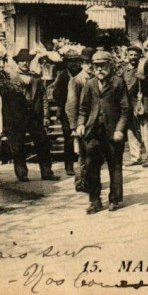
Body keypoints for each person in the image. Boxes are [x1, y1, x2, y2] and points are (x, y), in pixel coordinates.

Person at [75, 51, 130, 213]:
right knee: (91, 166)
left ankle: (115, 199)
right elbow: (83, 109)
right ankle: (94, 200)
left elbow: (126, 110)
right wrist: (80, 124)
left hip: (113, 132)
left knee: (115, 165)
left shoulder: (118, 83)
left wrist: (120, 129)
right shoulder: (90, 84)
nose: (99, 69)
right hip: (93, 132)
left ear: (110, 66)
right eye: (96, 66)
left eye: (103, 65)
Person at [4, 49, 59, 182]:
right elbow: (6, 104)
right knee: (18, 145)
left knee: (43, 143)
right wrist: (7, 122)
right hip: (18, 117)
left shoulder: (36, 78)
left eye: (27, 61)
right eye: (22, 61)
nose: (25, 63)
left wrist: (46, 116)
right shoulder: (10, 79)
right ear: (17, 63)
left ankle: (47, 172)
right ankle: (22, 173)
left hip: (35, 116)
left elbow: (44, 98)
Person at [124, 45, 148, 168]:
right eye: (131, 55)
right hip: (129, 104)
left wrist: (145, 78)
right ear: (127, 56)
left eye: (135, 55)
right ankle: (135, 157)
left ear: (139, 56)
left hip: (144, 103)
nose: (133, 57)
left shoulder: (146, 66)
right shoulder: (125, 69)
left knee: (147, 131)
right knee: (131, 131)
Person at [65, 47, 95, 191]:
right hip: (82, 123)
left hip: (95, 121)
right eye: (87, 63)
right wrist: (74, 126)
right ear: (82, 64)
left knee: (94, 154)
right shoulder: (76, 81)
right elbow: (71, 105)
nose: (90, 66)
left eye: (92, 63)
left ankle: (91, 180)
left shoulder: (96, 78)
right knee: (83, 155)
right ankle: (81, 182)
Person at [51, 49, 80, 176]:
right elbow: (56, 93)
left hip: (81, 110)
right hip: (66, 112)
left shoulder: (82, 74)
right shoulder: (63, 76)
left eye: (76, 61)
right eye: (70, 61)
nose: (73, 64)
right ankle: (69, 166)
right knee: (69, 139)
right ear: (66, 63)